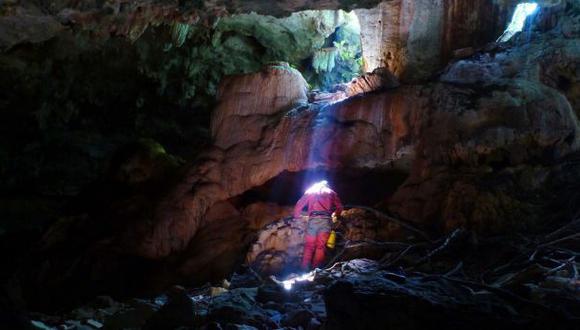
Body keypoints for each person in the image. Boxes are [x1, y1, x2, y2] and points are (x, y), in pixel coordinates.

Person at [294, 180, 343, 271]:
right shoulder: (331, 192)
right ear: (327, 185)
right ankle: (315, 270)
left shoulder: (310, 191)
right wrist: (336, 215)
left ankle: (303, 269)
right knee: (320, 247)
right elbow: (339, 207)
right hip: (325, 221)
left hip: (313, 220)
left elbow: (299, 204)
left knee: (309, 246)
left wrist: (296, 217)